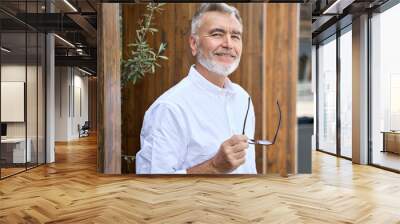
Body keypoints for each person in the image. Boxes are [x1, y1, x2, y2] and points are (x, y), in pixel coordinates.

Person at [135, 3, 256, 174]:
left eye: (235, 36)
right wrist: (214, 166)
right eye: (217, 34)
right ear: (194, 43)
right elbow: (154, 189)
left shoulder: (244, 99)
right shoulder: (169, 108)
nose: (228, 44)